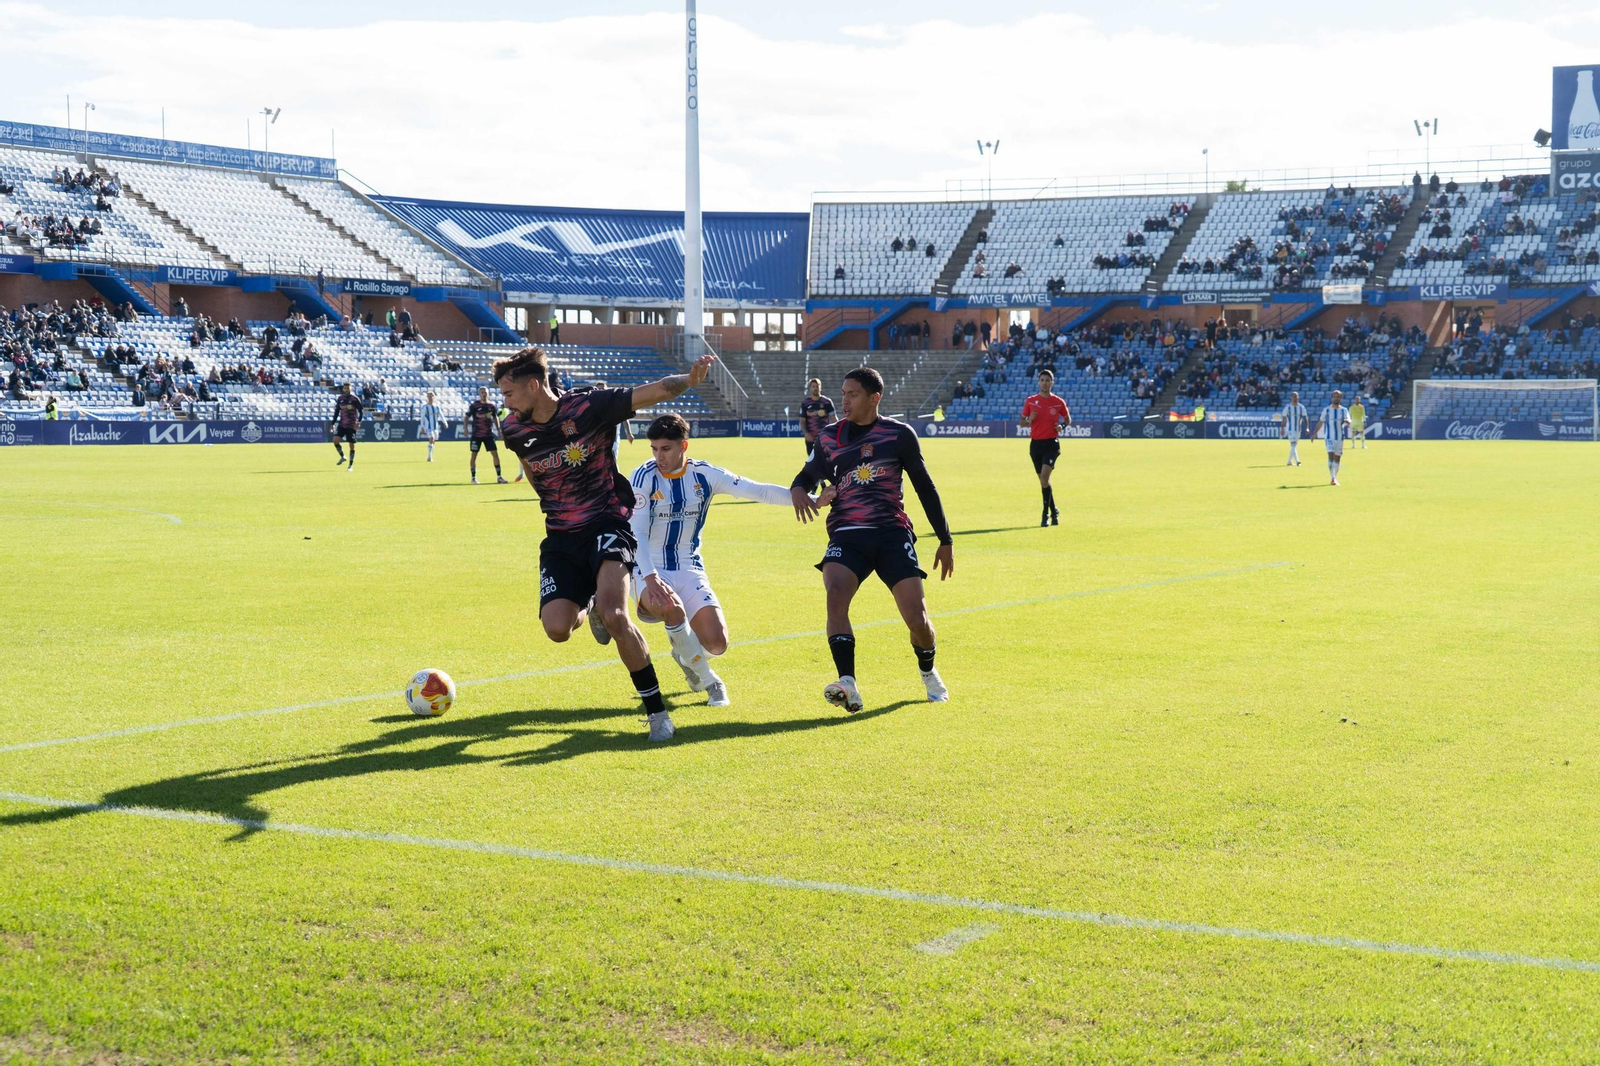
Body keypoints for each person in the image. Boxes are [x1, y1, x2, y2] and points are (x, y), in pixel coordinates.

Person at [496, 345, 716, 743]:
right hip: (561, 536)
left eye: (509, 394)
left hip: (607, 523)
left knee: (617, 616)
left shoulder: (588, 407)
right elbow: (532, 471)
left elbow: (653, 391)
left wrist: (688, 380)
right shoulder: (513, 429)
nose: (505, 402)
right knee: (557, 629)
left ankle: (657, 715)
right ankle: (591, 604)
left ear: (533, 386)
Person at [629, 414, 829, 708]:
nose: (659, 456)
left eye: (666, 449)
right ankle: (711, 682)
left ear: (684, 446)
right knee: (670, 608)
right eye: (654, 449)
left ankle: (686, 654)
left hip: (689, 566)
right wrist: (650, 577)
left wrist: (809, 499)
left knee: (717, 643)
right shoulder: (643, 477)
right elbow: (637, 533)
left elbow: (757, 490)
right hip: (649, 568)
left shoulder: (705, 474)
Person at [790, 367, 953, 714]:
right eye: (843, 394)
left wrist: (945, 539)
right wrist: (799, 490)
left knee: (918, 619)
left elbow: (925, 487)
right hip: (847, 533)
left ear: (874, 398)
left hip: (892, 533)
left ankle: (928, 672)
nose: (845, 401)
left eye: (853, 394)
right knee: (835, 594)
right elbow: (806, 475)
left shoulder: (898, 435)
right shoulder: (829, 437)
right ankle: (847, 682)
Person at [1019, 370, 1070, 526]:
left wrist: (1061, 426)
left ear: (1052, 383)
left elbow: (1067, 419)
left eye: (1047, 380)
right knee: (1043, 482)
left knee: (1044, 478)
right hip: (1036, 445)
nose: (1045, 383)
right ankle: (1054, 510)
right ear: (1038, 382)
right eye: (1042, 380)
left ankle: (1045, 514)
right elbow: (1022, 423)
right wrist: (1030, 419)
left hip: (1051, 444)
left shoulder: (1058, 402)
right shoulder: (1030, 401)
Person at [464, 386, 506, 484]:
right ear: (479, 394)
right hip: (476, 435)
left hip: (488, 435)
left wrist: (498, 430)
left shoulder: (491, 406)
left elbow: (495, 418)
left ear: (488, 394)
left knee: (495, 454)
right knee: (474, 456)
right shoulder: (474, 405)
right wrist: (465, 428)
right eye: (482, 392)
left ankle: (499, 477)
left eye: (485, 392)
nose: (484, 394)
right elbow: (466, 417)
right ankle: (473, 478)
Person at [1313, 389, 1353, 486]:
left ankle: (1334, 476)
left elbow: (1349, 419)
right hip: (1329, 437)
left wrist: (1348, 421)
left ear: (1341, 398)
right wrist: (1314, 433)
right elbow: (1321, 422)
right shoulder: (1326, 410)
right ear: (1332, 398)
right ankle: (1333, 478)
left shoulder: (1344, 410)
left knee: (1337, 458)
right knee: (1330, 455)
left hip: (1339, 437)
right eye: (1335, 396)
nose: (1336, 398)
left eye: (1338, 397)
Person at [799, 377, 836, 455]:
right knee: (812, 460)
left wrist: (837, 432)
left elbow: (834, 419)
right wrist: (806, 434)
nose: (815, 388)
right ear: (810, 388)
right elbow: (802, 421)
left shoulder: (827, 402)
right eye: (813, 386)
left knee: (826, 460)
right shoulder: (805, 403)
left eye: (817, 386)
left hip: (825, 438)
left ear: (820, 387)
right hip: (811, 438)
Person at [330, 383, 363, 470]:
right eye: (345, 388)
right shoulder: (340, 398)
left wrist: (359, 422)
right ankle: (343, 456)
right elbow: (337, 412)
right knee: (335, 440)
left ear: (351, 389)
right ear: (343, 389)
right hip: (342, 424)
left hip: (351, 425)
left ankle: (350, 465)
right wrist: (332, 424)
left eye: (348, 388)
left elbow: (361, 412)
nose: (346, 389)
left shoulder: (355, 399)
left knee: (351, 445)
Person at [1280, 390, 1309, 466]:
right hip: (1290, 429)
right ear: (1291, 398)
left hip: (1298, 429)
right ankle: (1298, 461)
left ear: (1298, 397)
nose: (1295, 398)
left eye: (1296, 396)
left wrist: (1307, 427)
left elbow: (1305, 417)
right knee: (1293, 444)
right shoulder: (1288, 407)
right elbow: (1284, 418)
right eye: (1293, 397)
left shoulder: (1301, 407)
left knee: (1294, 445)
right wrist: (1282, 428)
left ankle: (1289, 461)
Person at [420, 389, 443, 462]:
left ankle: (430, 456)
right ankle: (429, 457)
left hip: (435, 427)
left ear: (434, 397)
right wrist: (422, 426)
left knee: (433, 441)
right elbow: (422, 417)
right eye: (429, 396)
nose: (430, 397)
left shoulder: (437, 407)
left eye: (431, 396)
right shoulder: (425, 407)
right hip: (428, 426)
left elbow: (441, 415)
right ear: (427, 397)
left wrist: (445, 422)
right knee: (431, 438)